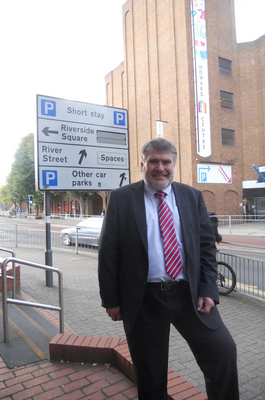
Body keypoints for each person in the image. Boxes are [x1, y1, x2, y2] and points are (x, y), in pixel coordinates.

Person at [98, 138, 239, 400]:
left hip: (190, 295)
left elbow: (206, 246)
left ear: (174, 164)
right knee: (150, 377)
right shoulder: (121, 199)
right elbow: (108, 252)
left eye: (166, 162)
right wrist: (112, 299)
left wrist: (208, 288)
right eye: (153, 161)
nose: (160, 167)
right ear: (142, 164)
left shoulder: (192, 196)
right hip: (144, 299)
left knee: (223, 351)